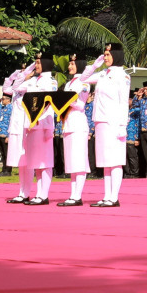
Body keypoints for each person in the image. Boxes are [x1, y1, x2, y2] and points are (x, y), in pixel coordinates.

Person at [74, 44, 132, 207]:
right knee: (106, 161)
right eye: (104, 54)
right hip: (100, 121)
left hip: (114, 122)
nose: (105, 57)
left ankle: (114, 197)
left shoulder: (123, 76)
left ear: (116, 55)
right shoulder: (103, 74)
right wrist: (94, 65)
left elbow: (123, 102)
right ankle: (107, 196)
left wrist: (123, 125)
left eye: (108, 54)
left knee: (115, 160)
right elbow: (82, 78)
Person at [6, 56, 58, 205]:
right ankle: (38, 194)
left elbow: (49, 105)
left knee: (45, 161)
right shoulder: (34, 80)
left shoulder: (51, 81)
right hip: (32, 125)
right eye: (35, 63)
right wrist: (26, 71)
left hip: (44, 124)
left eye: (38, 63)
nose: (36, 65)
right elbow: (15, 87)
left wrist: (49, 128)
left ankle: (44, 195)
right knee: (36, 162)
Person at [57, 56, 91, 206]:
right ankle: (72, 195)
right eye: (70, 63)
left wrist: (66, 100)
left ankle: (77, 196)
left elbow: (80, 104)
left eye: (72, 64)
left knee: (79, 161)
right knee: (71, 163)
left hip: (78, 124)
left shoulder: (84, 82)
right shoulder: (68, 84)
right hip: (68, 124)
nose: (70, 66)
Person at [0, 94, 14, 176]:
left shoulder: (11, 108)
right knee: (2, 153)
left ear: (8, 99)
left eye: (3, 99)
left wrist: (9, 136)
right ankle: (4, 169)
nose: (2, 100)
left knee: (7, 153)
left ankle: (8, 170)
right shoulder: (2, 108)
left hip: (6, 134)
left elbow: (12, 123)